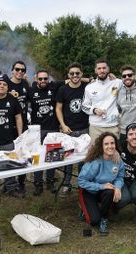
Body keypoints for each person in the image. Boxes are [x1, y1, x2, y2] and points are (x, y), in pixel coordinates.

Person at [77, 132, 128, 235]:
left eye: (112, 143)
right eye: (106, 144)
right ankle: (84, 208)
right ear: (101, 146)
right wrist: (101, 186)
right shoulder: (95, 162)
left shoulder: (118, 160)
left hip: (104, 191)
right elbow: (81, 181)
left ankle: (104, 219)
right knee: (94, 221)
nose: (110, 146)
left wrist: (118, 187)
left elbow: (120, 176)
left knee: (110, 191)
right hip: (89, 191)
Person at [27, 69, 63, 195]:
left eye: (45, 78)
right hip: (37, 130)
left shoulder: (54, 86)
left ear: (49, 79)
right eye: (40, 79)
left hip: (53, 128)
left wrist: (90, 79)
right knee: (37, 157)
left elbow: (72, 79)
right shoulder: (30, 91)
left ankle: (50, 181)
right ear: (36, 79)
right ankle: (38, 183)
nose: (43, 81)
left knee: (53, 157)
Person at [55, 62, 90, 197]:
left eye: (77, 73)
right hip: (68, 129)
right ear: (68, 75)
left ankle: (81, 184)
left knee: (83, 158)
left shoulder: (87, 87)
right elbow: (58, 108)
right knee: (68, 158)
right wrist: (63, 125)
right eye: (72, 73)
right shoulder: (63, 89)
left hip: (84, 128)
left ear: (81, 74)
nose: (75, 75)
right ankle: (66, 183)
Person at [82, 58, 122, 142]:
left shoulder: (117, 82)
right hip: (95, 127)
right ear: (96, 70)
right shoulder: (89, 87)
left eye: (104, 68)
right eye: (99, 68)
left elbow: (130, 85)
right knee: (95, 153)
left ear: (108, 69)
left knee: (114, 152)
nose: (102, 70)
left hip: (112, 126)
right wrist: (94, 110)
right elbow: (84, 106)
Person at [7, 61, 31, 193]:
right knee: (11, 155)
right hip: (8, 126)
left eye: (22, 70)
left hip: (23, 125)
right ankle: (9, 183)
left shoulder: (25, 84)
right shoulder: (6, 84)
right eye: (17, 69)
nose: (20, 72)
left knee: (23, 154)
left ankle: (21, 183)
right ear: (12, 70)